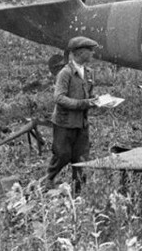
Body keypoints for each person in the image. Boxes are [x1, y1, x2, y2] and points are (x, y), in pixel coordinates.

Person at [45, 36, 99, 192]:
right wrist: (83, 104)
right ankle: (48, 179)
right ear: (81, 53)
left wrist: (95, 101)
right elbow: (59, 97)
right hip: (64, 122)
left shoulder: (89, 72)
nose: (93, 54)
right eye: (90, 51)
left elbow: (87, 95)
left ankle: (78, 189)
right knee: (62, 155)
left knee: (81, 157)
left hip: (82, 122)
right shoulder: (65, 73)